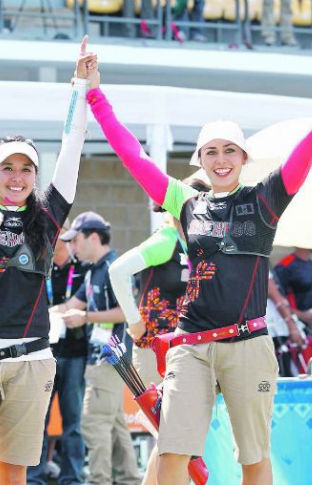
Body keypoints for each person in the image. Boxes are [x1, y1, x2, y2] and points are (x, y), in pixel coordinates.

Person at [86, 51, 312, 484]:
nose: (220, 158)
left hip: (248, 344)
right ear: (201, 160)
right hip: (190, 347)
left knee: (254, 458)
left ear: (243, 157)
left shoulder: (265, 197)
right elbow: (134, 157)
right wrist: (96, 97)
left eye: (229, 150)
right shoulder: (185, 202)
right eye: (211, 152)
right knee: (172, 453)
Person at [0, 28, 90, 484]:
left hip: (32, 359)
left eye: (26, 168)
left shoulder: (48, 216)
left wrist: (81, 87)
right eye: (8, 167)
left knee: (14, 472)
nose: (17, 176)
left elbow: (73, 144)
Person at [107, 176, 210, 485]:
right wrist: (133, 320)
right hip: (156, 351)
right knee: (171, 438)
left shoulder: (198, 245)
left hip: (187, 351)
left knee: (174, 439)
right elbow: (118, 271)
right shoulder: (166, 240)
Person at [52, 211, 140, 485]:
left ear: (92, 238)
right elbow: (69, 306)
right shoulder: (93, 270)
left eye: (75, 240)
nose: (71, 246)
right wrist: (38, 318)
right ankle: (129, 479)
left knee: (93, 422)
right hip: (103, 358)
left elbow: (127, 313)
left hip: (110, 358)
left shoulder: (114, 268)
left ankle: (99, 480)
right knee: (114, 424)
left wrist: (86, 317)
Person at [27, 223, 88, 485]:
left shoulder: (83, 267)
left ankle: (72, 476)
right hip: (43, 354)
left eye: (59, 234)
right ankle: (33, 476)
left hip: (75, 352)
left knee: (73, 420)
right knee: (37, 418)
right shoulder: (39, 268)